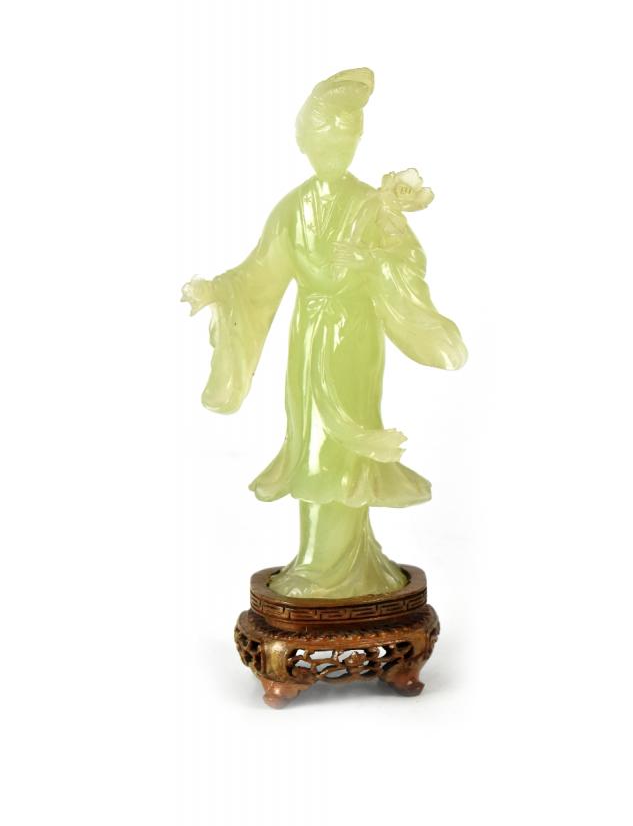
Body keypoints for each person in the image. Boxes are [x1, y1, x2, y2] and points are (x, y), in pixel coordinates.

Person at [182, 68, 467, 598]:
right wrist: (217, 290)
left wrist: (368, 262)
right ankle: (327, 562)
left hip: (353, 334)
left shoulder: (372, 203)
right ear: (305, 143)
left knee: (343, 445)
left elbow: (409, 261)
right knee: (308, 438)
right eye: (323, 142)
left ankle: (334, 568)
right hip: (309, 332)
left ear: (356, 141)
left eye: (345, 140)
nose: (334, 152)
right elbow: (260, 271)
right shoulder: (293, 207)